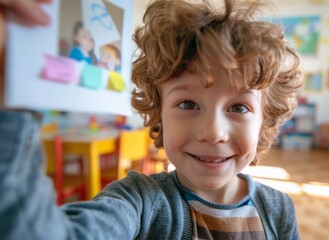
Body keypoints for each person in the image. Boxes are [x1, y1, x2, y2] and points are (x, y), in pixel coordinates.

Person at [0, 0, 303, 239]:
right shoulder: (139, 202)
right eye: (187, 103)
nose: (213, 133)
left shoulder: (279, 210)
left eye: (238, 108)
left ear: (264, 120)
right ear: (159, 114)